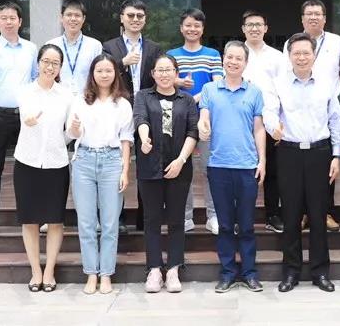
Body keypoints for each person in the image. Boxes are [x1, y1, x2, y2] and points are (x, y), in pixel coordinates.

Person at [264, 33, 340, 293]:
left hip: (320, 152)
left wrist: (336, 155)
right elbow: (269, 111)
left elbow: (335, 119)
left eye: (306, 53)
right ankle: (291, 272)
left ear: (313, 55)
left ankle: (320, 272)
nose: (301, 57)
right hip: (289, 152)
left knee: (319, 214)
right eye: (296, 53)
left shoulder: (327, 83)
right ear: (289, 56)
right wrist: (274, 128)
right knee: (291, 214)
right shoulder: (278, 83)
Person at [198, 41, 266, 293]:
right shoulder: (209, 89)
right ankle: (227, 273)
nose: (233, 61)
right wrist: (203, 126)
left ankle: (249, 273)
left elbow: (259, 129)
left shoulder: (254, 92)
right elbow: (204, 117)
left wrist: (262, 160)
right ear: (223, 60)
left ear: (245, 63)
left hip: (247, 166)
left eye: (239, 58)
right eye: (229, 57)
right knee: (225, 225)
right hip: (218, 166)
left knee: (246, 225)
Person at [68, 53, 133, 295]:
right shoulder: (80, 100)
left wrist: (125, 170)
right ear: (92, 74)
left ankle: (106, 274)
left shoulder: (122, 103)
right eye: (99, 70)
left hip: (112, 161)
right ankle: (91, 274)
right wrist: (75, 129)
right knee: (86, 223)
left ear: (115, 73)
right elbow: (72, 133)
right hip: (84, 160)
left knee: (109, 223)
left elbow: (126, 139)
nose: (104, 75)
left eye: (108, 70)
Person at [134, 55, 199, 293]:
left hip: (179, 167)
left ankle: (173, 269)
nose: (164, 74)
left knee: (176, 219)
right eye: (159, 70)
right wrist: (144, 140)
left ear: (176, 73)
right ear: (153, 74)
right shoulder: (143, 96)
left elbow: (193, 132)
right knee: (151, 219)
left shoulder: (187, 100)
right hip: (150, 165)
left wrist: (181, 160)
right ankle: (154, 269)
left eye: (168, 69)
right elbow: (140, 119)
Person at [12, 44, 73, 292]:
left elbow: (69, 133)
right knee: (29, 220)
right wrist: (28, 120)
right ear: (38, 63)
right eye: (46, 61)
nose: (50, 67)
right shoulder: (25, 92)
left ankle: (49, 272)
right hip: (27, 161)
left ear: (60, 67)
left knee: (55, 220)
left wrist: (74, 132)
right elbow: (26, 116)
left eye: (55, 63)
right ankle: (35, 271)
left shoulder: (67, 96)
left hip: (56, 163)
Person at [283, 0, 340, 232]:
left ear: (325, 18)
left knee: (325, 166)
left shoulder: (337, 42)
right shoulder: (292, 42)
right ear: (302, 19)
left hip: (327, 104)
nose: (313, 17)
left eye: (317, 14)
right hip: (299, 104)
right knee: (299, 176)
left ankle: (325, 212)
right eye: (308, 14)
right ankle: (301, 213)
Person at [102, 0, 162, 233]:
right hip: (117, 109)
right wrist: (122, 63)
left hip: (147, 110)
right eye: (130, 15)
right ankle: (116, 218)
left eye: (140, 16)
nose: (135, 19)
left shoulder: (154, 48)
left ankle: (145, 219)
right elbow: (102, 73)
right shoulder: (109, 46)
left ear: (145, 20)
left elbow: (160, 76)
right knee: (116, 165)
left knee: (147, 166)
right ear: (122, 18)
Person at [0, 1, 37, 237]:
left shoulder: (31, 48)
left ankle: (31, 216)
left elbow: (35, 78)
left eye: (12, 17)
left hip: (25, 116)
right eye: (4, 18)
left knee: (29, 168)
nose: (8, 21)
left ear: (20, 21)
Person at [168, 8, 224, 234]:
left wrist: (195, 98)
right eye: (188, 25)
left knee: (210, 168)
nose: (192, 29)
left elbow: (217, 83)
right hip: (178, 118)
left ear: (203, 29)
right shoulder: (172, 55)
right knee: (182, 168)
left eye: (197, 25)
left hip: (206, 117)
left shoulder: (212, 54)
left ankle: (214, 216)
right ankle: (185, 216)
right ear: (181, 28)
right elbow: (164, 80)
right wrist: (178, 83)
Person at [240, 10, 285, 234]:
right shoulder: (236, 54)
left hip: (270, 120)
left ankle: (272, 215)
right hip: (241, 121)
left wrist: (281, 123)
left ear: (266, 28)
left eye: (258, 24)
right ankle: (241, 217)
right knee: (242, 171)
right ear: (243, 29)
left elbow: (284, 90)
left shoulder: (277, 57)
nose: (254, 28)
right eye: (250, 25)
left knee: (273, 171)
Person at [46, 0, 103, 97]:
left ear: (83, 19)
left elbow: (100, 76)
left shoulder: (95, 46)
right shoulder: (51, 45)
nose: (73, 19)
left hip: (87, 101)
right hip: (57, 100)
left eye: (77, 15)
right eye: (69, 15)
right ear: (61, 18)